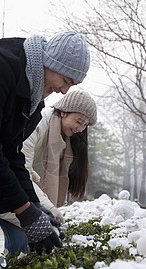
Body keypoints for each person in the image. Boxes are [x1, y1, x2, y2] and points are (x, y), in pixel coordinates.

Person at [0, 31, 90, 256]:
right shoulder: (4, 71)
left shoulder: (32, 101)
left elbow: (13, 155)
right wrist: (26, 210)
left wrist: (34, 205)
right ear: (52, 63)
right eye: (66, 80)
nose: (64, 90)